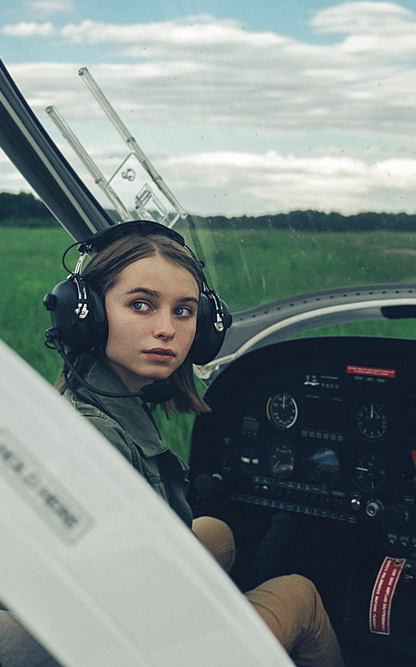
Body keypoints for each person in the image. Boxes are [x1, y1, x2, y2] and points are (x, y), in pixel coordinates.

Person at [47, 221, 344, 666]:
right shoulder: (99, 442)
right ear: (85, 315)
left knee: (216, 533)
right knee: (298, 594)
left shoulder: (93, 401)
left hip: (95, 616)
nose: (167, 328)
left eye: (184, 311)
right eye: (142, 305)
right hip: (114, 646)